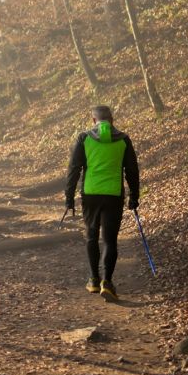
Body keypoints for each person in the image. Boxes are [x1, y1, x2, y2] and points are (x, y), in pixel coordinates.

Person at [64, 105, 139, 302]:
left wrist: (69, 196)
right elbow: (132, 170)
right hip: (114, 194)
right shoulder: (123, 140)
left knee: (91, 236)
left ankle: (94, 280)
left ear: (93, 121)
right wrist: (134, 196)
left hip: (90, 194)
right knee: (109, 239)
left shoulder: (84, 138)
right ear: (112, 120)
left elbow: (74, 168)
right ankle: (107, 281)